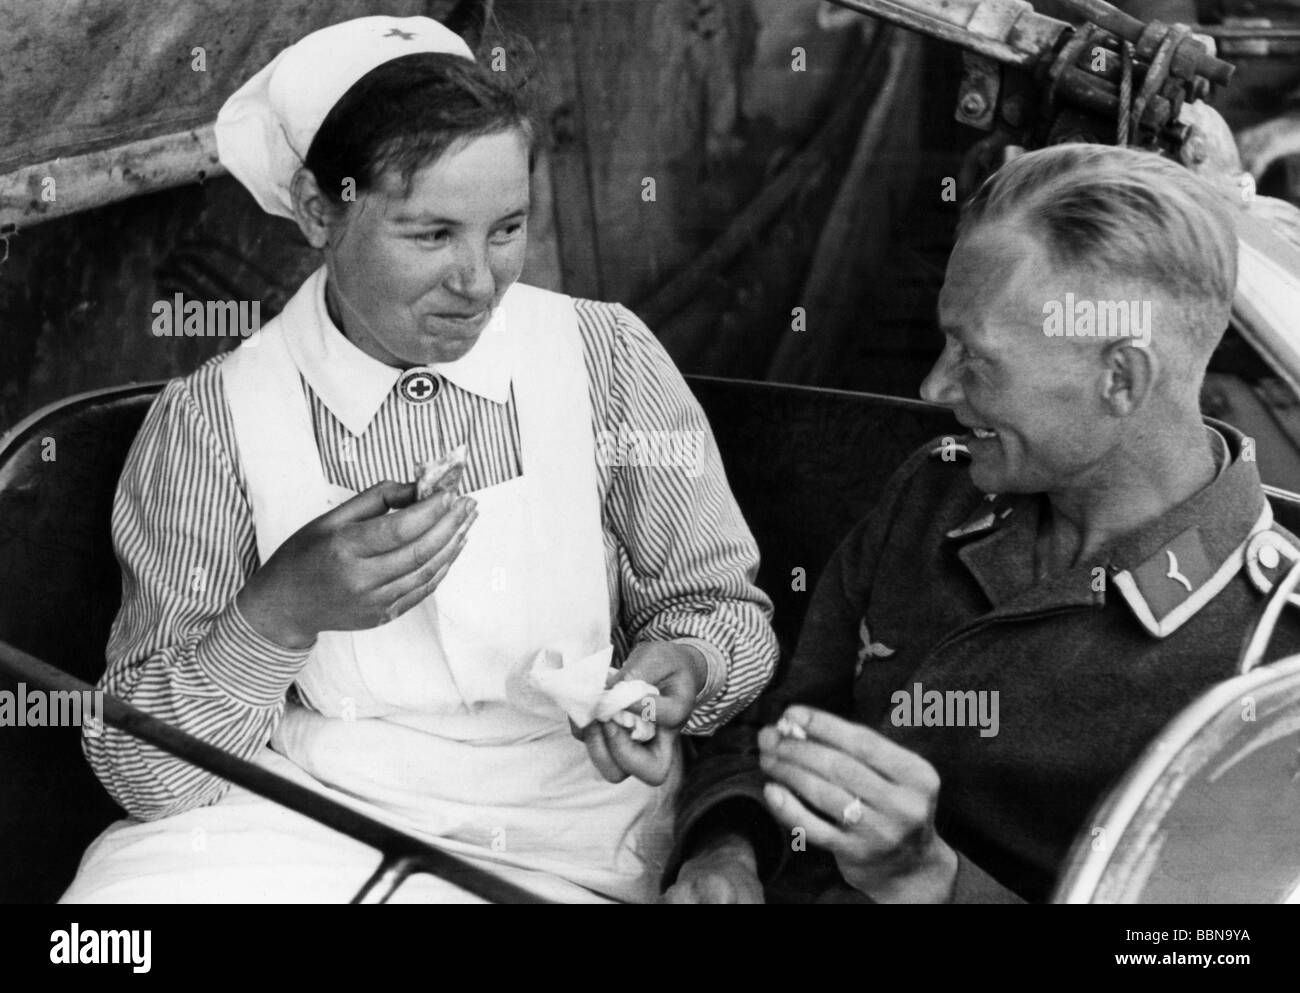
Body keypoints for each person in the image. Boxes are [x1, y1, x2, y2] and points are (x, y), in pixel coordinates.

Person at [62, 15, 777, 904]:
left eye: (506, 227)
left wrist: (684, 666)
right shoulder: (217, 418)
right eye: (431, 234)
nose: (478, 280)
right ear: (324, 212)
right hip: (302, 818)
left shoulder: (604, 359)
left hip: (579, 826)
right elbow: (146, 774)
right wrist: (277, 613)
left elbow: (724, 610)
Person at [661, 142, 1300, 904]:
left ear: (1119, 378)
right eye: (945, 340)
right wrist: (728, 845)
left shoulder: (1269, 664)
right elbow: (786, 713)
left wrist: (935, 880)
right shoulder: (937, 494)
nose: (935, 384)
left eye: (977, 358)